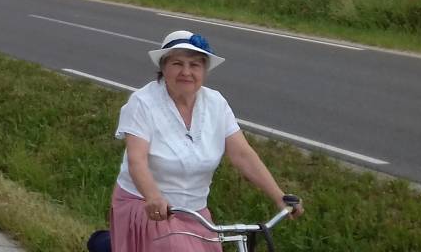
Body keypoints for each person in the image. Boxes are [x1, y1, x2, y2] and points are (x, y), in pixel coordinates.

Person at [108, 30, 303, 251]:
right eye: (177, 64)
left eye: (195, 65)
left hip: (195, 213)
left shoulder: (216, 103)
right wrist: (153, 196)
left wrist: (279, 196)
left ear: (204, 71)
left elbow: (242, 154)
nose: (186, 72)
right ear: (163, 67)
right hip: (150, 207)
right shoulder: (142, 103)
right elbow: (137, 160)